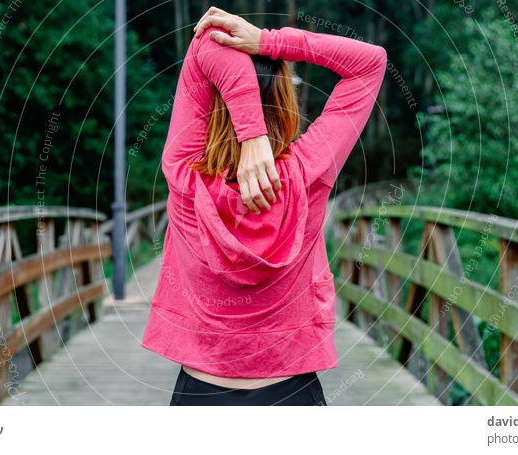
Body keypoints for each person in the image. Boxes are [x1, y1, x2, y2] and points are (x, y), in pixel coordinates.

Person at [140, 6, 387, 405]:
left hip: (200, 397)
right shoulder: (309, 173)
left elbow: (207, 40)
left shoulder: (184, 177)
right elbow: (370, 62)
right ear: (285, 101)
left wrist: (247, 132)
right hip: (293, 395)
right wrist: (269, 41)